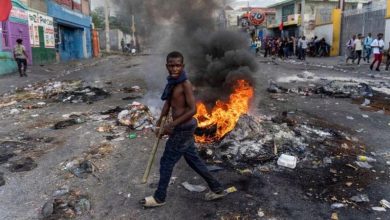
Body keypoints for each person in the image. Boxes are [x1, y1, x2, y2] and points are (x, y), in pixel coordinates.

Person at [140, 51, 224, 208]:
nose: (174, 68)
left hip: (183, 127)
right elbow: (168, 103)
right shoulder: (172, 82)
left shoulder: (185, 84)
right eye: (171, 65)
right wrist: (160, 121)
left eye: (177, 65)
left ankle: (159, 198)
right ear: (167, 66)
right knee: (194, 160)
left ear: (182, 66)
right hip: (181, 127)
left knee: (166, 162)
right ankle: (217, 188)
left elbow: (193, 110)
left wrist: (171, 125)